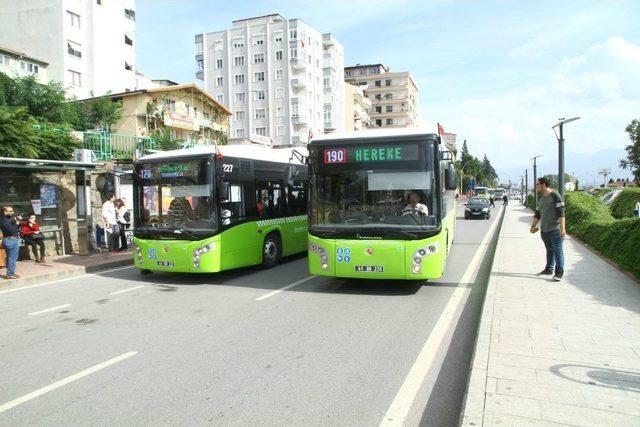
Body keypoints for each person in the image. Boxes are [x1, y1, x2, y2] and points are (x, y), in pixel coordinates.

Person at [530, 177, 566, 281]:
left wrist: (562, 228)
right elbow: (537, 214)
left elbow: (561, 213)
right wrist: (533, 226)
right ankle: (549, 269)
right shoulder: (540, 198)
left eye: (537, 184)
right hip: (544, 230)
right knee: (549, 250)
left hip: (555, 229)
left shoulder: (555, 196)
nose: (536, 186)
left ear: (543, 185)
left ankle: (559, 273)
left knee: (558, 250)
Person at [0, 206, 22, 279]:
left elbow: (16, 229)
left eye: (12, 211)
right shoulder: (3, 220)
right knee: (12, 258)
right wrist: (17, 223)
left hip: (10, 240)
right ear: (5, 212)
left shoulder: (8, 219)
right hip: (10, 240)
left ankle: (10, 272)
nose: (12, 212)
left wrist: (18, 222)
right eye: (10, 211)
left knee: (10, 257)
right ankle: (10, 274)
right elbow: (11, 230)